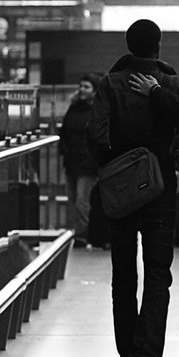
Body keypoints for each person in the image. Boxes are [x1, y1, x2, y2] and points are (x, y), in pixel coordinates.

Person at [87, 20, 179, 357]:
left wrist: (115, 167)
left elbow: (96, 135)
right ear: (159, 46)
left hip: (121, 195)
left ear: (127, 44)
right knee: (158, 274)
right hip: (160, 191)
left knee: (123, 275)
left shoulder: (110, 83)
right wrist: (167, 162)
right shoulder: (172, 84)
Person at [58, 76, 102, 246]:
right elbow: (64, 131)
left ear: (94, 91)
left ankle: (82, 235)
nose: (82, 89)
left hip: (87, 163)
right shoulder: (74, 107)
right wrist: (64, 148)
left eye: (87, 86)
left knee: (82, 201)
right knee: (72, 198)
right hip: (72, 161)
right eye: (81, 85)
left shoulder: (96, 110)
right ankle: (76, 232)